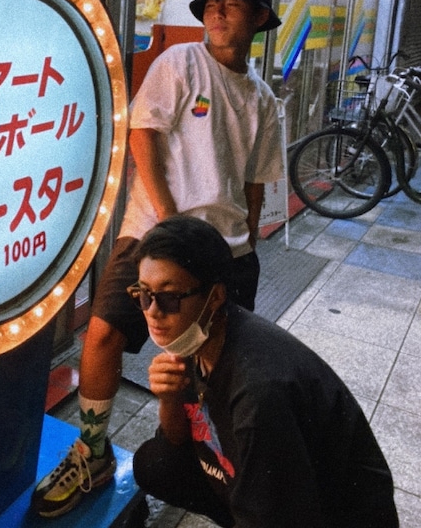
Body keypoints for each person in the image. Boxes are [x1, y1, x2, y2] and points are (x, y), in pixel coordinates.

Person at [31, 0, 284, 518]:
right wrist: (170, 222)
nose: (217, 11)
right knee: (103, 332)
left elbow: (255, 183)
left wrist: (245, 242)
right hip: (152, 233)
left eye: (231, 3)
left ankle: (200, 459)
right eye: (211, 2)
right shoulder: (180, 62)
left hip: (227, 251)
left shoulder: (264, 100)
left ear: (260, 17)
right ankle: (92, 451)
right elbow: (142, 136)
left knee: (209, 368)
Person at [130, 215, 399, 528]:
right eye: (144, 294)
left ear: (214, 297)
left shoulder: (258, 391)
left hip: (333, 514)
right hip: (274, 485)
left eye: (169, 297)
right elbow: (174, 440)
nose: (153, 311)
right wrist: (170, 398)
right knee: (157, 463)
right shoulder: (199, 333)